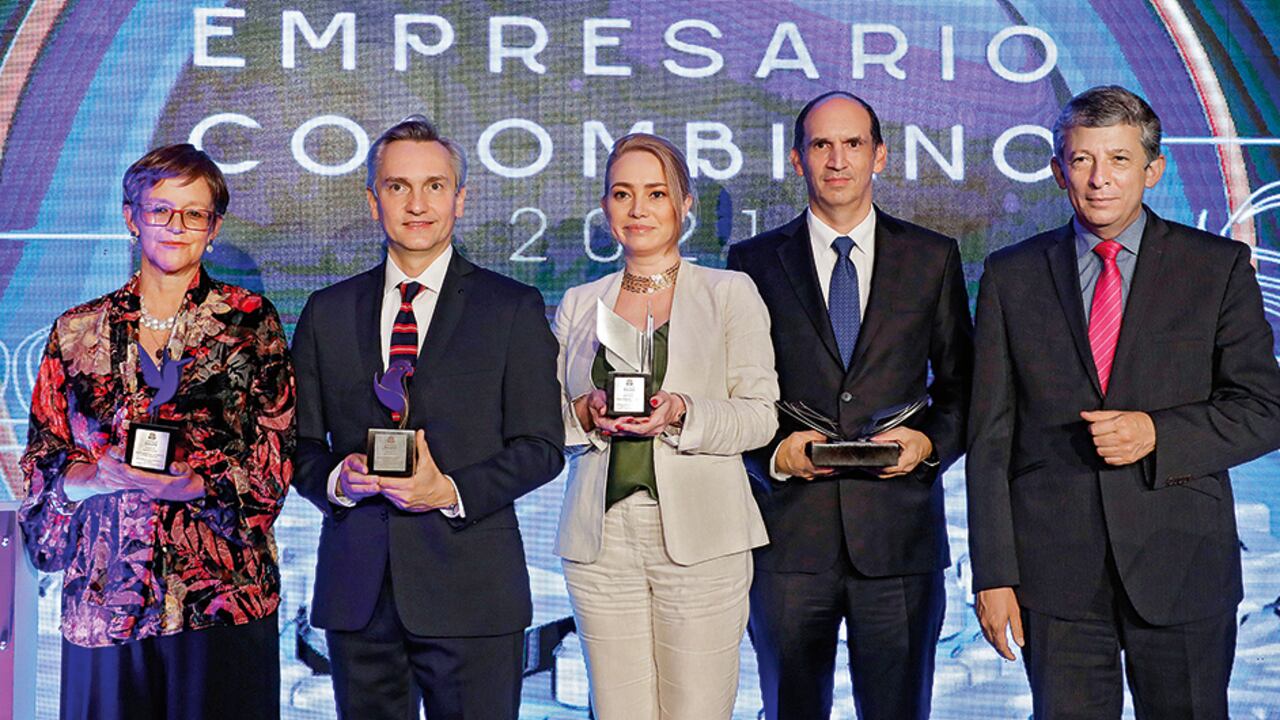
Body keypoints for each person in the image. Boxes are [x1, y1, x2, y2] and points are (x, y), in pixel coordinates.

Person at [967, 85, 1280, 719]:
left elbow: (1265, 407)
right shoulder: (1011, 274)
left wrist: (1158, 432)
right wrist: (993, 573)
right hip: (1054, 576)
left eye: (1118, 159)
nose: (1099, 179)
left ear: (1153, 169)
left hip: (1181, 563)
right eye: (1082, 160)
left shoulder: (1216, 266)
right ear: (1058, 170)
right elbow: (990, 437)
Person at [290, 115, 564, 719]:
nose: (417, 204)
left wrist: (450, 490)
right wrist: (338, 480)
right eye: (397, 187)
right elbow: (297, 445)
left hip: (473, 593)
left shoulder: (511, 308)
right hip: (358, 595)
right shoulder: (327, 312)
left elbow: (541, 446)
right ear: (372, 200)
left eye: (435, 186)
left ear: (460, 200)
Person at [18, 143, 296, 719]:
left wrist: (194, 486)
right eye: (161, 210)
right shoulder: (76, 331)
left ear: (213, 228)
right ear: (131, 217)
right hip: (107, 600)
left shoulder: (250, 324)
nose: (177, 226)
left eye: (195, 213)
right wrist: (92, 478)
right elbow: (43, 457)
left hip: (223, 597)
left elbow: (275, 457)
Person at [726, 91, 973, 720]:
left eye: (853, 143)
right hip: (788, 538)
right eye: (821, 144)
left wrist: (930, 445)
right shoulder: (750, 265)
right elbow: (729, 390)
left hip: (899, 538)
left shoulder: (932, 256)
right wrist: (772, 452)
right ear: (796, 158)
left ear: (880, 155)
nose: (838, 160)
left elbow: (962, 385)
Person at [554, 133, 779, 719]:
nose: (638, 209)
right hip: (600, 544)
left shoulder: (729, 292)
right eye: (622, 194)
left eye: (656, 194)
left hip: (702, 542)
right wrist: (584, 414)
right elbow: (545, 422)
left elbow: (760, 415)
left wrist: (683, 411)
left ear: (685, 205)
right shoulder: (580, 303)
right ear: (605, 208)